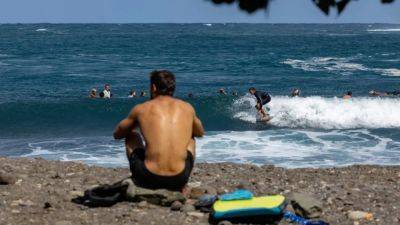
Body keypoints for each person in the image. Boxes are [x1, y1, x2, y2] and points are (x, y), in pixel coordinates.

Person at [113, 70, 204, 191]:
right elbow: (200, 132)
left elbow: (118, 134)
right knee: (191, 139)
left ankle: (139, 180)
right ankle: (182, 185)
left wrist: (138, 123)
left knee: (132, 136)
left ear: (153, 87)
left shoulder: (141, 108)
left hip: (149, 177)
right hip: (179, 178)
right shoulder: (187, 107)